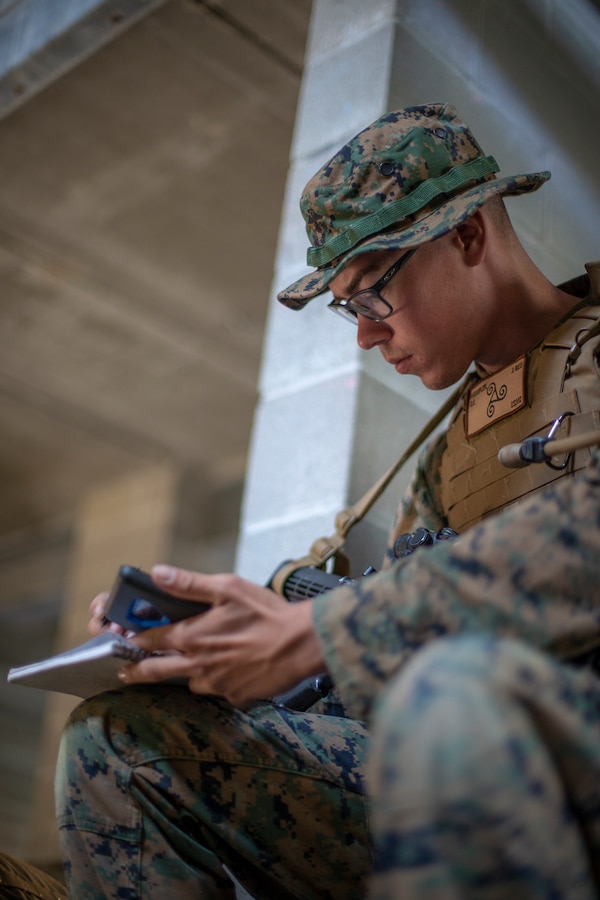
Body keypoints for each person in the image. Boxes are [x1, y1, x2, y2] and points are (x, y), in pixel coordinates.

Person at [55, 103, 600, 898]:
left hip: (542, 751)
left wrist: (325, 632)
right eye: (350, 308)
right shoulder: (447, 455)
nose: (365, 337)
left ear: (467, 236)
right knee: (118, 741)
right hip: (446, 764)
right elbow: (387, 661)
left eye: (372, 296)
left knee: (452, 700)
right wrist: (215, 656)